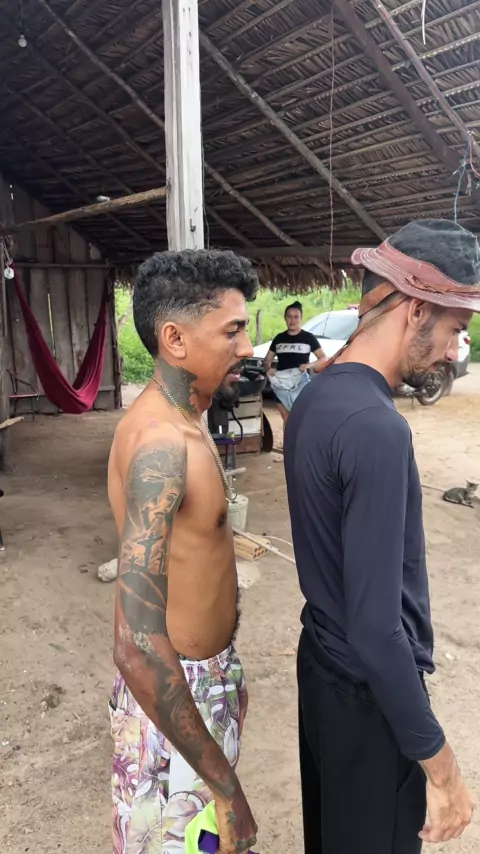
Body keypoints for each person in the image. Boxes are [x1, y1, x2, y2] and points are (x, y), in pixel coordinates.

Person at [284, 219, 480, 854]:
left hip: (322, 668)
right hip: (368, 698)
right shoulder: (377, 428)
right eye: (454, 328)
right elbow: (376, 627)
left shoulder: (314, 399)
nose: (453, 350)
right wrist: (442, 770)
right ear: (416, 309)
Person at [107, 249, 259, 854]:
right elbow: (136, 646)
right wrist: (226, 788)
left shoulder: (187, 419)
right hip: (175, 698)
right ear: (174, 339)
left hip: (202, 687)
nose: (246, 346)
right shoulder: (160, 444)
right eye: (232, 330)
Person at [263, 301, 325, 425]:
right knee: (286, 419)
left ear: (301, 319)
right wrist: (268, 368)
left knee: (301, 418)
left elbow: (323, 358)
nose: (292, 320)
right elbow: (267, 359)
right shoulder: (279, 338)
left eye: (296, 317)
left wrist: (308, 365)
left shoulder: (308, 338)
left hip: (300, 384)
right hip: (281, 384)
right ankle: (288, 439)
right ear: (285, 318)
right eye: (289, 316)